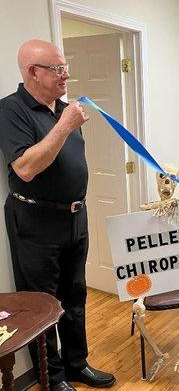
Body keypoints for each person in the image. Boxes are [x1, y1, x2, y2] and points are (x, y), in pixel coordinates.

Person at [0, 40, 115, 391]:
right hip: (35, 223)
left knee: (75, 295)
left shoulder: (63, 109)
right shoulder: (10, 110)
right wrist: (65, 124)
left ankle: (77, 364)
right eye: (58, 69)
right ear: (33, 72)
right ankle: (54, 379)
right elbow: (26, 168)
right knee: (43, 303)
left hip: (74, 218)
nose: (66, 75)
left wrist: (64, 119)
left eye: (65, 68)